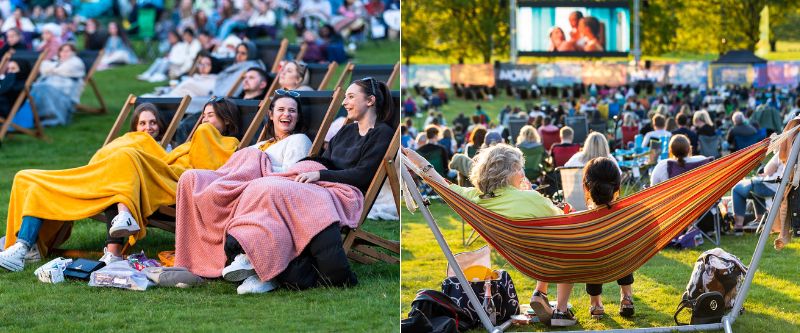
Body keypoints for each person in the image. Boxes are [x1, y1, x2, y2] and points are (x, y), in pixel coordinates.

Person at [175, 79, 394, 294]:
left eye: (351, 96)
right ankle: (249, 252)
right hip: (324, 184)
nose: (345, 102)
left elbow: (363, 175)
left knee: (270, 188)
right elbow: (325, 159)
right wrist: (302, 168)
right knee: (263, 185)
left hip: (346, 192)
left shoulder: (382, 133)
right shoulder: (346, 131)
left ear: (370, 101)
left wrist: (318, 174)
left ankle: (258, 258)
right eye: (345, 97)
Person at [0, 99, 242, 272]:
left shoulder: (221, 141)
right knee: (25, 176)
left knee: (124, 161)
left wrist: (205, 132)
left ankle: (119, 228)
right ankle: (24, 245)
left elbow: (205, 169)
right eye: (204, 115)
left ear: (227, 120)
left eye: (210, 115)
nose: (204, 119)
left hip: (162, 182)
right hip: (113, 176)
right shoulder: (174, 142)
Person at [403, 144, 575, 327]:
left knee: (554, 242)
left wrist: (415, 157)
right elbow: (563, 221)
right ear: (509, 172)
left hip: (519, 257)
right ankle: (562, 311)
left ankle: (540, 293)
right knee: (567, 239)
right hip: (547, 257)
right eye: (519, 168)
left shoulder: (472, 197)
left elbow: (438, 181)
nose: (523, 173)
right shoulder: (532, 199)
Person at [582, 157, 635, 319]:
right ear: (617, 187)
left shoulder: (581, 220)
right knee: (622, 248)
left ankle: (596, 304)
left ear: (586, 187)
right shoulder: (628, 215)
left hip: (594, 267)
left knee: (592, 256)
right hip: (621, 262)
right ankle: (626, 298)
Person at [30, 43, 86, 127]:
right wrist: (54, 69)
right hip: (50, 89)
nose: (64, 53)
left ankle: (46, 117)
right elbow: (43, 67)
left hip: (64, 94)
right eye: (62, 51)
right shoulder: (56, 61)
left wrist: (51, 70)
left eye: (67, 51)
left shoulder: (76, 62)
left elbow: (66, 70)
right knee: (35, 87)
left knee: (41, 88)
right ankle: (32, 116)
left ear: (73, 52)